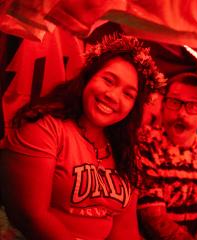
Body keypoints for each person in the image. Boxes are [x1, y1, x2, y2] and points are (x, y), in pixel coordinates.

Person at [0, 34, 165, 239]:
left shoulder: (124, 152)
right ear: (88, 77)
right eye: (108, 80)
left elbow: (125, 231)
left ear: (133, 108)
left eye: (128, 94)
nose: (112, 96)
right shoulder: (45, 127)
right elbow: (30, 216)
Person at [137, 73, 197, 240]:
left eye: (193, 106)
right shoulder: (147, 143)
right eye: (175, 102)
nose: (182, 113)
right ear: (163, 105)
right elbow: (154, 218)